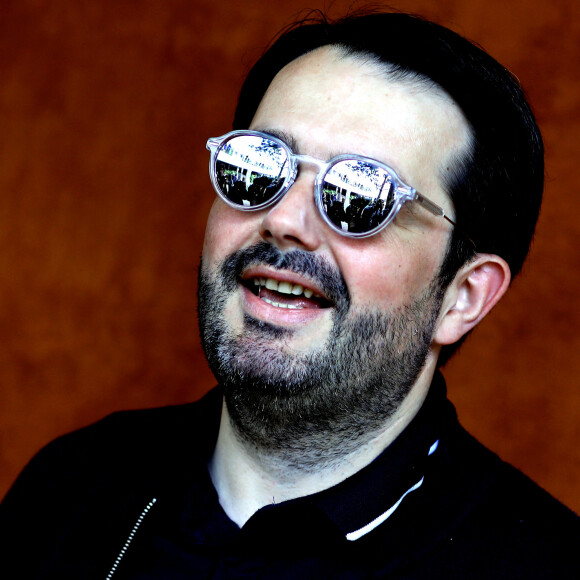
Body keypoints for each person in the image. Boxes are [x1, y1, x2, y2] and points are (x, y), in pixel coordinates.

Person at [1, 10, 578, 579]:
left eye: (358, 195)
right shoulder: (69, 489)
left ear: (463, 297)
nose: (282, 221)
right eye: (259, 166)